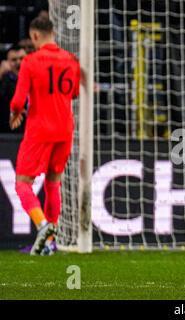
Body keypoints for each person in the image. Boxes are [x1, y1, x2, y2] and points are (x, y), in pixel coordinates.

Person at [9, 16, 81, 255]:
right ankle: (50, 244)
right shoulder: (71, 60)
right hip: (65, 129)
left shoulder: (31, 61)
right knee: (53, 184)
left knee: (22, 184)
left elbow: (19, 101)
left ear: (35, 36)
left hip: (40, 129)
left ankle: (43, 226)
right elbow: (72, 95)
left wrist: (15, 114)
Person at [0, 45, 27, 133]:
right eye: (14, 60)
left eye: (22, 58)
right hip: (6, 134)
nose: (19, 62)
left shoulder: (36, 78)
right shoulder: (4, 79)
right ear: (6, 63)